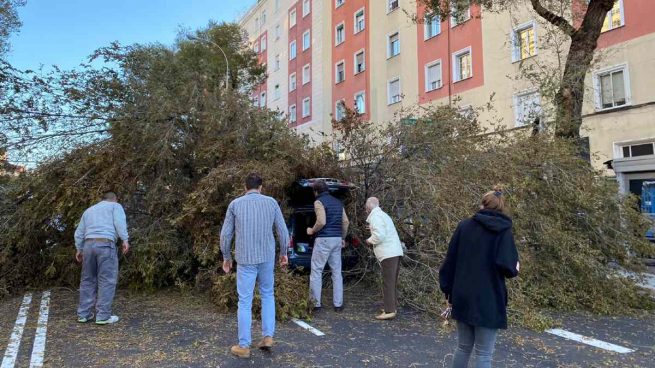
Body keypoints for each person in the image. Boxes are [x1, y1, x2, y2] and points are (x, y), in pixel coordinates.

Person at [439, 186, 520, 368]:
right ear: (501, 207)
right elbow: (507, 266)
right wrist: (516, 266)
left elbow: (450, 261)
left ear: (482, 204)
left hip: (463, 295)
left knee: (463, 348)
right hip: (489, 298)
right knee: (484, 353)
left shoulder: (464, 226)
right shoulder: (503, 231)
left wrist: (448, 292)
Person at [220, 173, 289, 359]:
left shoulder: (235, 204)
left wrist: (226, 257)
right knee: (267, 294)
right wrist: (284, 253)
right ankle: (267, 337)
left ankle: (244, 346)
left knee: (245, 301)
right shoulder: (272, 203)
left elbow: (226, 235)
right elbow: (282, 230)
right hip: (267, 257)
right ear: (261, 187)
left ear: (245, 187)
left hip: (245, 259)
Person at [74, 191, 130, 325]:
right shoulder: (115, 206)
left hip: (88, 245)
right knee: (107, 280)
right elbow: (119, 223)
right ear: (114, 199)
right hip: (105, 244)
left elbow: (79, 232)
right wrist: (125, 240)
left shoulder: (89, 211)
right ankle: (103, 316)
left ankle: (84, 314)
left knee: (87, 280)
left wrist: (79, 249)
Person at [306, 180, 349, 312]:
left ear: (316, 191)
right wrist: (342, 237)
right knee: (336, 272)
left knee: (316, 271)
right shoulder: (338, 202)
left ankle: (315, 304)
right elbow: (346, 222)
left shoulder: (319, 202)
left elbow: (321, 221)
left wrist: (312, 230)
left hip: (324, 239)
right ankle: (338, 304)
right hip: (336, 239)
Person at [365, 197, 404, 320]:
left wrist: (369, 240)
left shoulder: (375, 217)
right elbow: (383, 230)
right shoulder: (382, 215)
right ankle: (392, 306)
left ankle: (389, 311)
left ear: (368, 207)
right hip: (395, 251)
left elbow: (379, 235)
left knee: (388, 282)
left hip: (388, 253)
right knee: (392, 282)